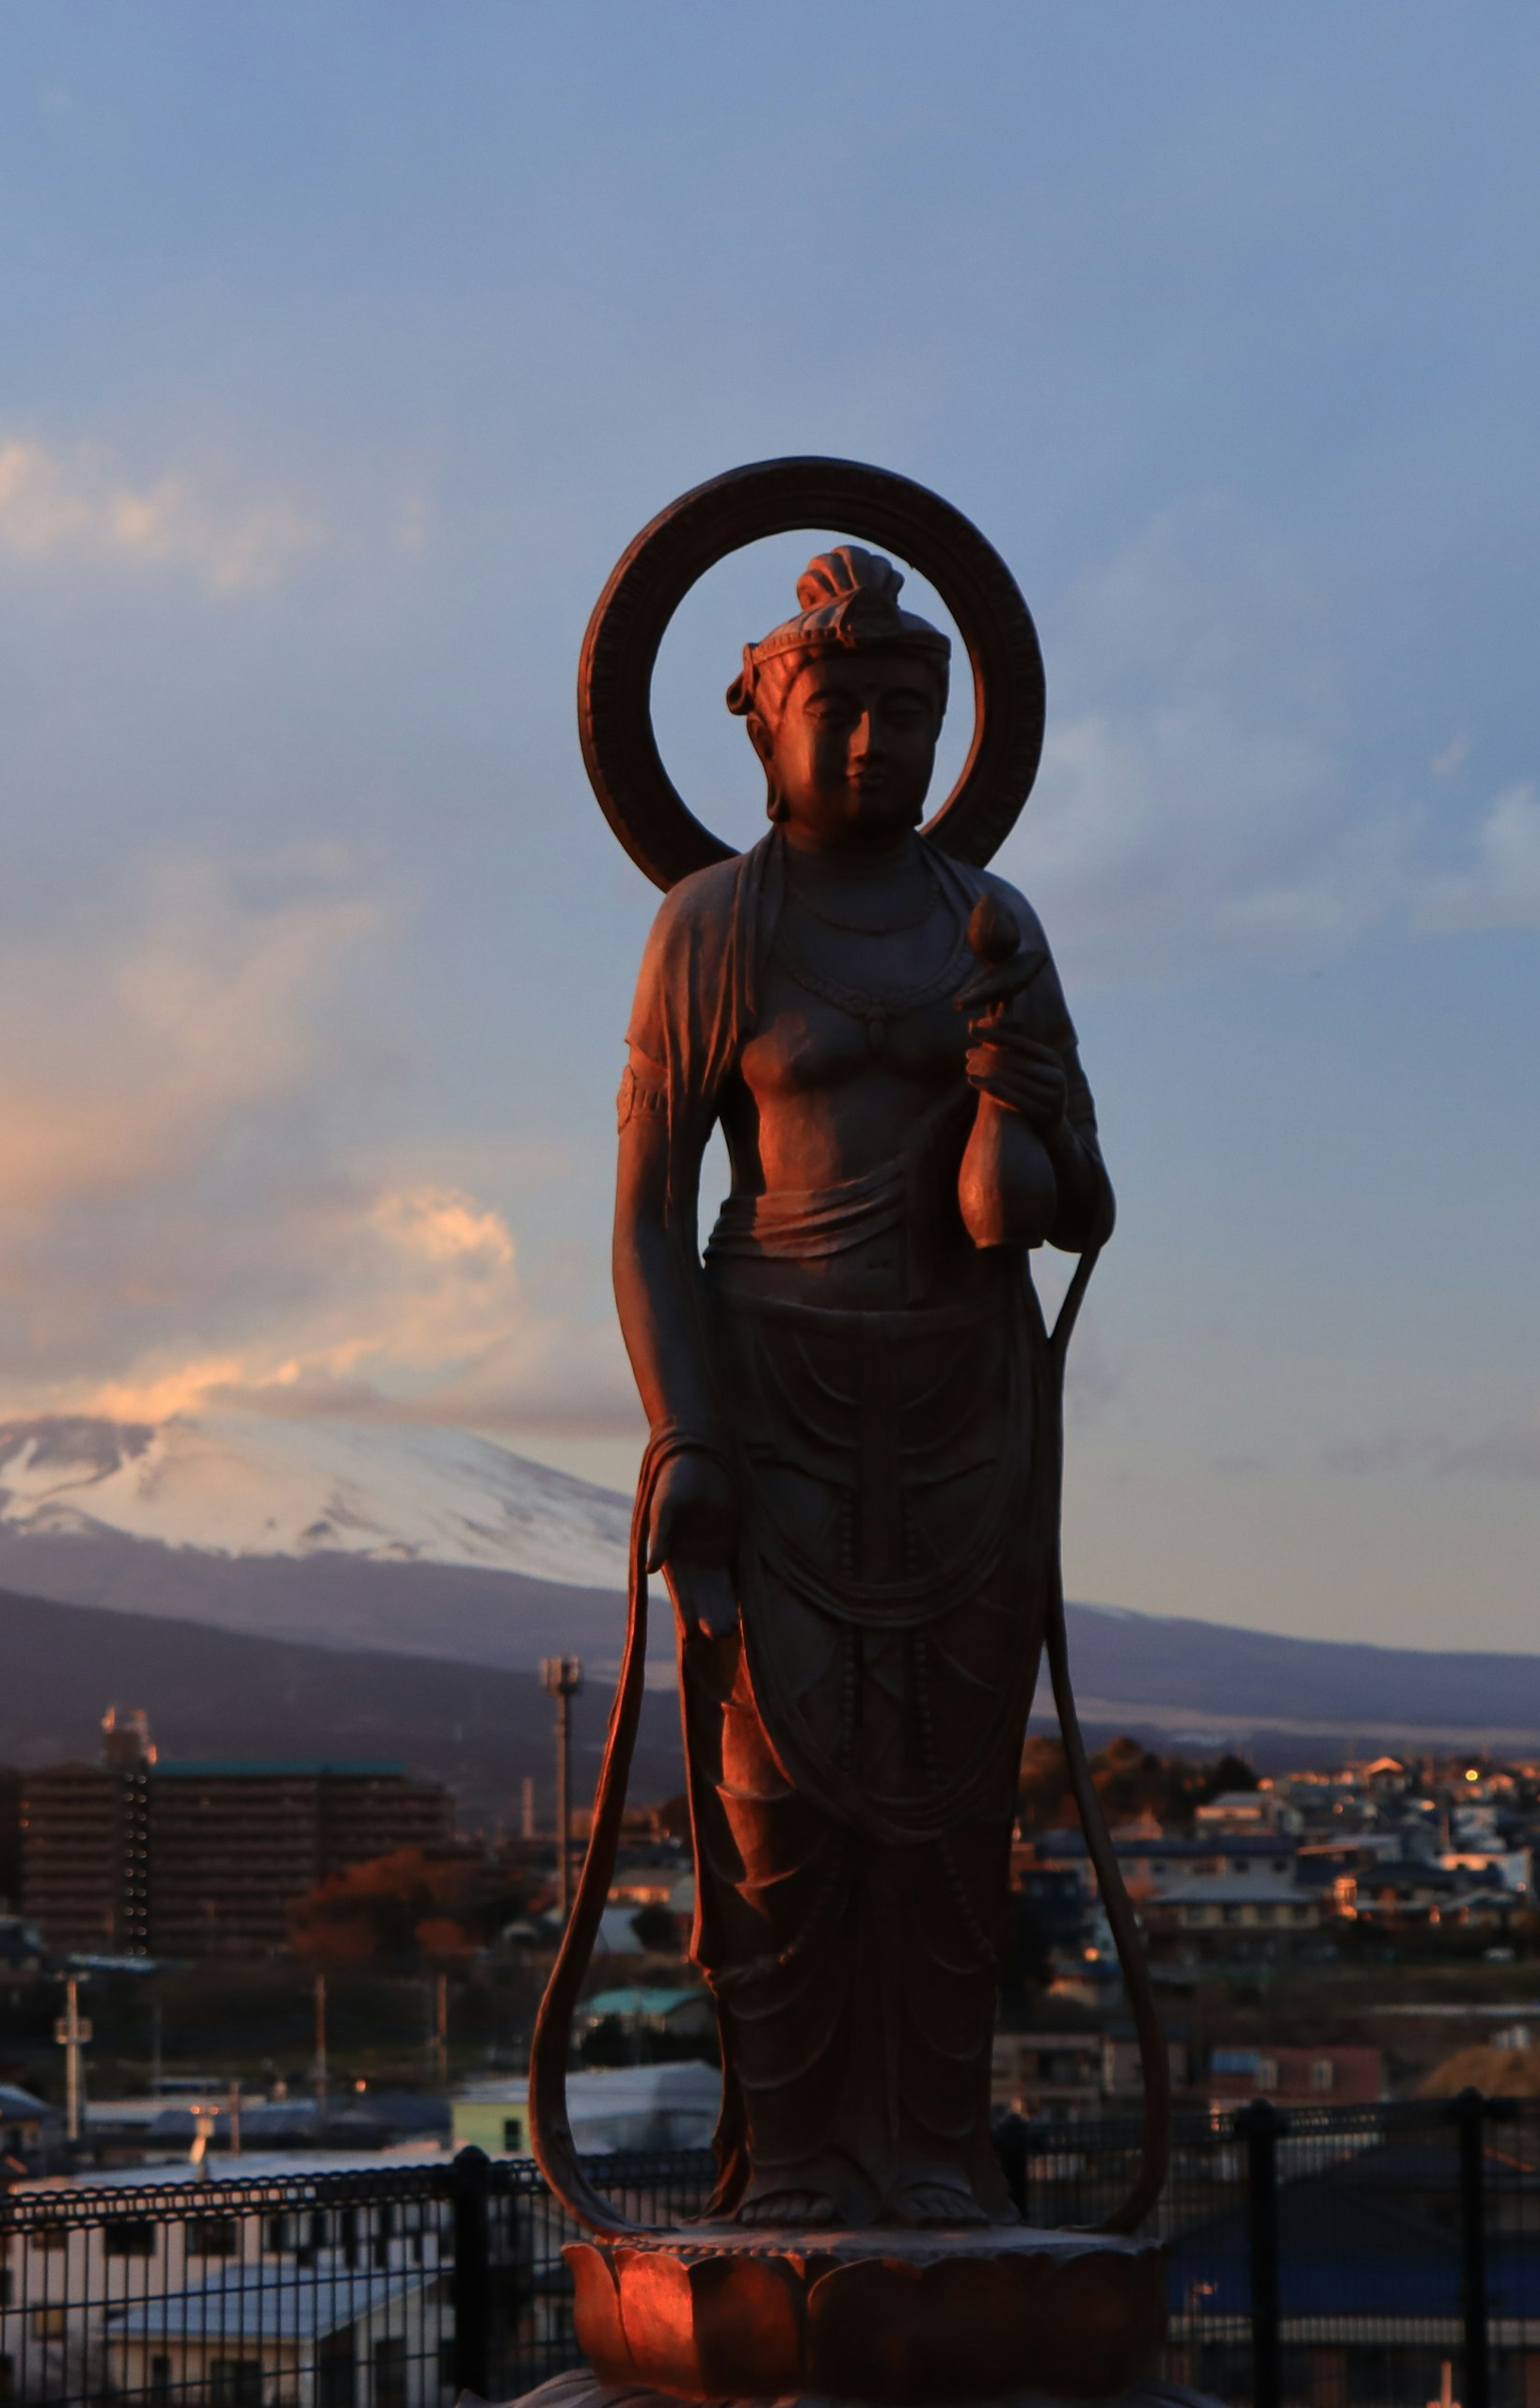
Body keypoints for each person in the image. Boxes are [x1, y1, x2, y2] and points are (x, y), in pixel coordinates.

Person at [611, 546, 1112, 2227]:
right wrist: (686, 1430)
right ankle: (798, 2173)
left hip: (965, 1403)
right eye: (844, 708)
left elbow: (1058, 1207)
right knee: (781, 1815)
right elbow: (645, 1216)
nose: (879, 742)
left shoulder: (993, 920)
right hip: (774, 1396)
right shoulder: (714, 926)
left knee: (955, 1817)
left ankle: (935, 2164)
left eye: (914, 710)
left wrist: (1015, 1097)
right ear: (767, 725)